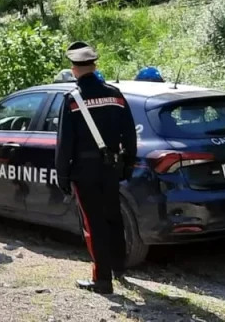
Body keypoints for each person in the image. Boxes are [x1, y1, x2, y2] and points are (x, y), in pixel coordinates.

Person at [55, 42, 137, 295]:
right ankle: (118, 266)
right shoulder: (115, 95)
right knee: (113, 216)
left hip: (84, 170)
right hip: (111, 167)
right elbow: (130, 134)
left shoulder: (72, 100)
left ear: (74, 69)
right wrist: (128, 164)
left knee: (94, 223)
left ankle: (102, 280)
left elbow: (64, 142)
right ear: (94, 65)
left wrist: (62, 174)